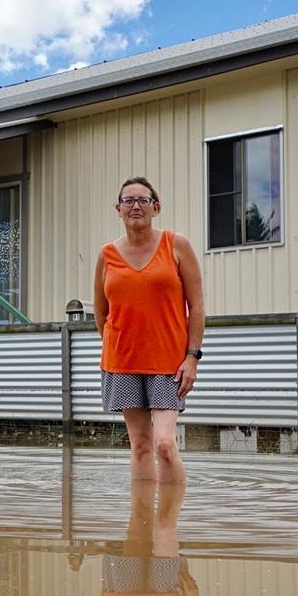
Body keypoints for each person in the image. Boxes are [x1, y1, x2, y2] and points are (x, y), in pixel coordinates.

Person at [94, 177, 205, 482]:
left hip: (168, 363)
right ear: (118, 209)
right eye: (128, 201)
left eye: (143, 200)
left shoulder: (176, 244)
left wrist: (192, 357)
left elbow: (196, 307)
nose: (135, 206)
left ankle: (169, 526)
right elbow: (101, 312)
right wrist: (117, 347)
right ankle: (141, 526)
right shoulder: (107, 255)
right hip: (123, 363)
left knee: (165, 444)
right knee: (141, 446)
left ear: (156, 207)